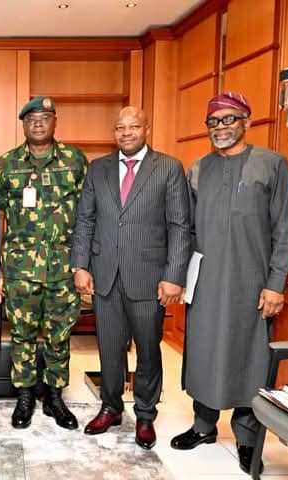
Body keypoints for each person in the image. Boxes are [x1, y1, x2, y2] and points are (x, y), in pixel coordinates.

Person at [170, 92, 288, 475]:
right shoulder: (197, 170)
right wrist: (180, 278)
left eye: (229, 119)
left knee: (249, 358)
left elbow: (285, 229)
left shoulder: (272, 165)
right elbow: (186, 230)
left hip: (252, 284)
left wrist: (276, 284)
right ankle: (203, 426)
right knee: (203, 352)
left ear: (246, 121)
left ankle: (246, 438)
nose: (220, 127)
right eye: (213, 121)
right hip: (206, 282)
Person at [71, 106, 191, 449]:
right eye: (120, 128)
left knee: (149, 350)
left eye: (133, 126)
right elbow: (85, 220)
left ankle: (145, 415)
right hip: (105, 276)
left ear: (146, 129)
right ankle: (110, 408)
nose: (126, 133)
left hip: (149, 278)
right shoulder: (98, 168)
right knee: (109, 349)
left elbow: (180, 225)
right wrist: (80, 266)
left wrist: (174, 275)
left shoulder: (168, 168)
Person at [0, 96, 87, 429]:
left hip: (63, 268)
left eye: (44, 118)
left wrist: (84, 264)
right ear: (23, 124)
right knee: (22, 336)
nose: (38, 123)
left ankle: (55, 397)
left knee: (60, 335)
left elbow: (88, 216)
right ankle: (25, 396)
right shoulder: (7, 164)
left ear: (54, 121)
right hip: (19, 269)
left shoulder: (75, 161)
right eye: (31, 119)